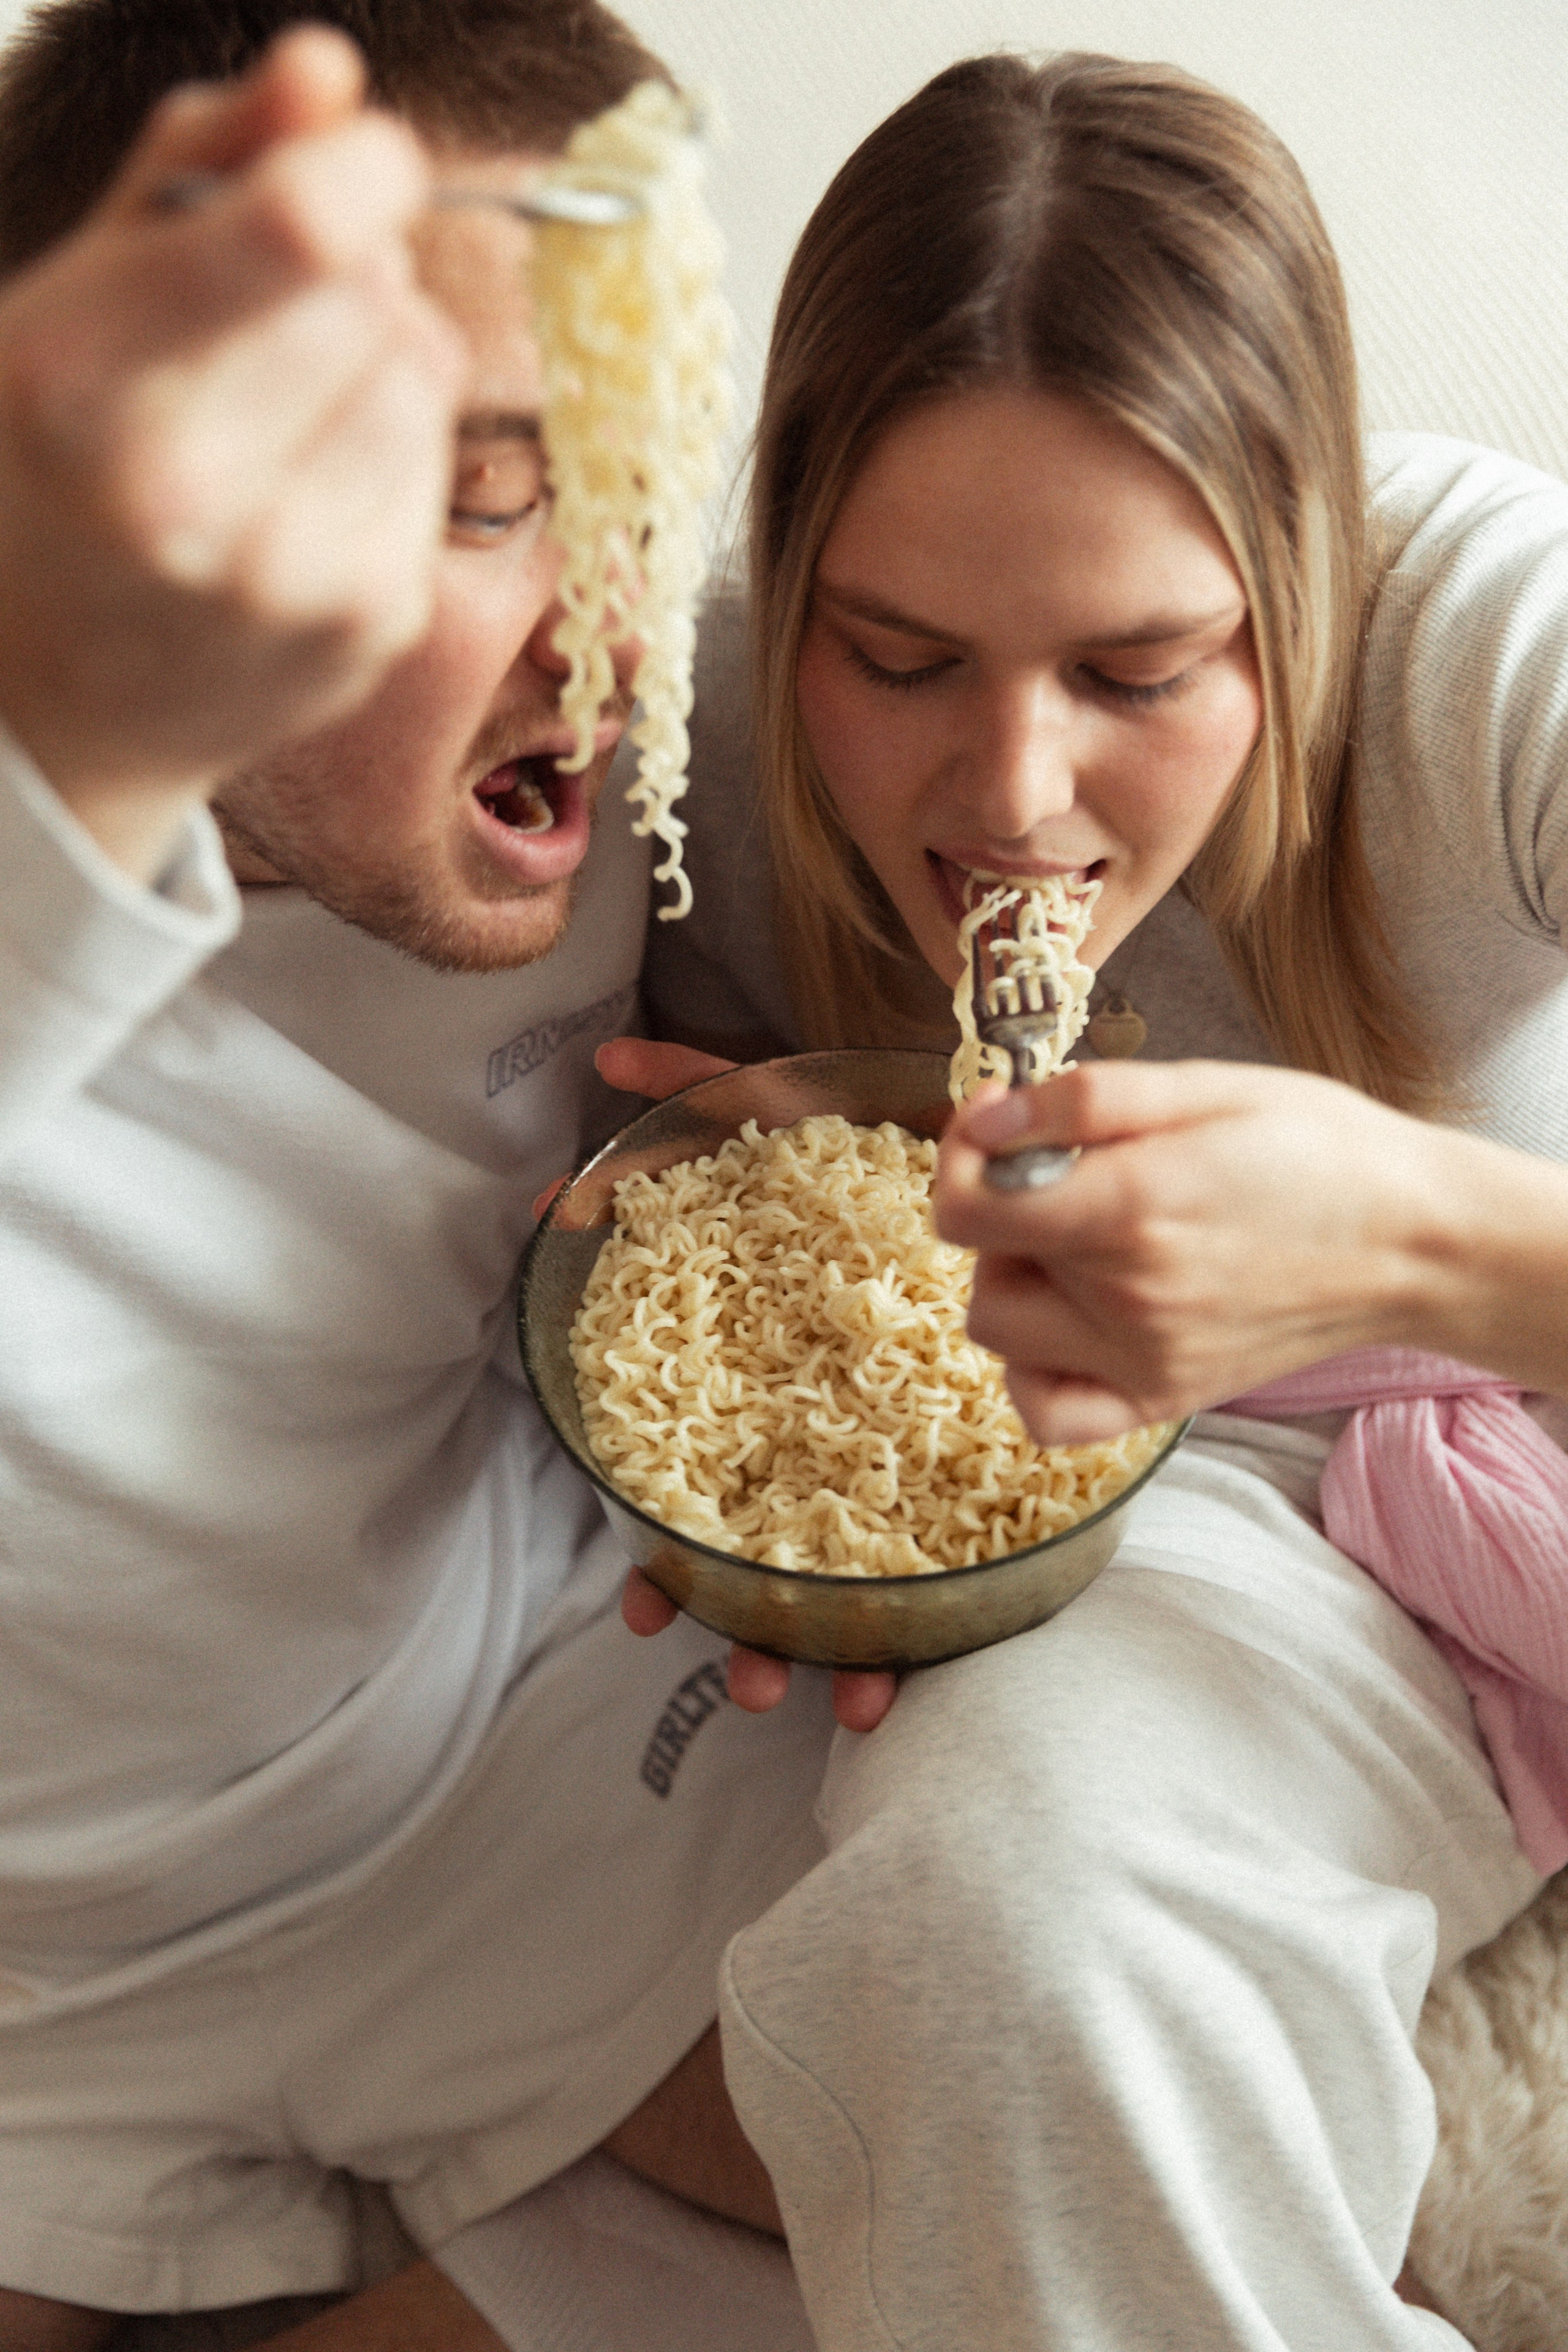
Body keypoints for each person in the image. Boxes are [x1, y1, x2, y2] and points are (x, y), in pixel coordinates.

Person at [629, 50, 1568, 2349]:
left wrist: (1427, 1243)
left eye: (1142, 670)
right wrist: (770, 1365)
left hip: (1483, 1443)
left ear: (1307, 573)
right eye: (900, 659)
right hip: (1194, 1558)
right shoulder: (705, 721)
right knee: (983, 1937)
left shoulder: (1483, 629)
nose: (1012, 792)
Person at [0, 4, 843, 2345]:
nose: (608, 614)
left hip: (500, 1764)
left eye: (625, 468)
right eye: (479, 494)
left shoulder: (590, 750)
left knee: (1008, 2126)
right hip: (35, 2022)